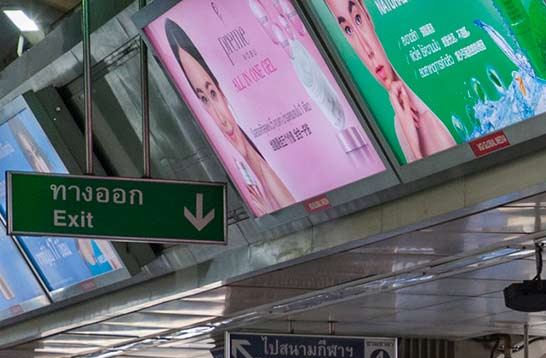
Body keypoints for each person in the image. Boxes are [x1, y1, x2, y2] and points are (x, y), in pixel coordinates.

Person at [162, 20, 296, 214]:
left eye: (213, 93)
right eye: (204, 99)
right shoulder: (248, 179)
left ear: (223, 94)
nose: (221, 120)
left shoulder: (269, 169)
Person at [317, 0, 458, 162]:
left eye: (358, 19)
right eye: (348, 30)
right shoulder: (400, 122)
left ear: (367, 14)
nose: (367, 50)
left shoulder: (427, 122)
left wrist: (414, 145)